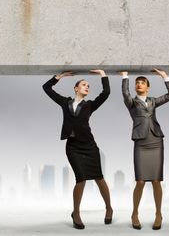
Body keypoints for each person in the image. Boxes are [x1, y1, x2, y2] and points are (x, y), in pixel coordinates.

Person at [42, 69, 113, 229]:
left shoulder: (90, 105)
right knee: (80, 179)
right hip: (73, 147)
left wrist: (102, 74)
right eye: (83, 84)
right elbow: (46, 88)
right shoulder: (64, 102)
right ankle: (76, 213)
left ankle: (109, 207)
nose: (87, 87)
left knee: (98, 178)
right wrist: (59, 77)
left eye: (88, 86)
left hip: (89, 146)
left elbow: (106, 92)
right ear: (76, 88)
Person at [119, 68, 169, 230]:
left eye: (142, 83)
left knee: (157, 181)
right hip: (141, 143)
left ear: (148, 87)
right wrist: (125, 77)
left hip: (156, 141)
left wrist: (165, 76)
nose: (139, 85)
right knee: (141, 181)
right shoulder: (131, 103)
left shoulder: (153, 101)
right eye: (137, 83)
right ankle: (135, 213)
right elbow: (125, 93)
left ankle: (159, 214)